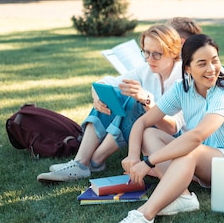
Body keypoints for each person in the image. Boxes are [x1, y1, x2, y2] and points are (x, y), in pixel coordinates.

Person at [106, 34, 224, 223]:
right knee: (150, 134)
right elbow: (142, 123)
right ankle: (183, 197)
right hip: (197, 160)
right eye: (202, 63)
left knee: (190, 149)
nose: (211, 69)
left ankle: (144, 215)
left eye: (215, 60)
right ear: (188, 68)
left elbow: (196, 136)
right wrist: (133, 156)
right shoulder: (183, 88)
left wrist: (148, 162)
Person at [37, 24, 183, 183]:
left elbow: (173, 127)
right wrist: (97, 97)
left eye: (157, 54)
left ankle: (93, 161)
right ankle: (81, 162)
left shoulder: (183, 79)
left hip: (170, 139)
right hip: (148, 129)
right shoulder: (147, 69)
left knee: (134, 103)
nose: (150, 59)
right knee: (112, 94)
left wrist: (147, 100)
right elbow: (107, 82)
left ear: (173, 52)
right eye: (146, 52)